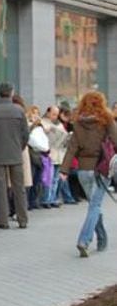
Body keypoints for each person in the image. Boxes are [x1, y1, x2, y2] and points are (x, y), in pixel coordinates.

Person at [59, 91, 117, 258]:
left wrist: (64, 170)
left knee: (94, 204)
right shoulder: (106, 120)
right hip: (102, 168)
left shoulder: (78, 123)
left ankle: (102, 238)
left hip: (83, 170)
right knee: (95, 205)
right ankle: (84, 240)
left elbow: (72, 148)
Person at [0, 82, 29, 230]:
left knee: (1, 187)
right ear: (11, 93)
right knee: (19, 187)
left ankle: (3, 220)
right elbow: (25, 134)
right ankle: (23, 220)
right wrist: (19, 147)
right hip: (15, 153)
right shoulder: (19, 110)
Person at [41, 105, 68, 208]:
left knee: (56, 179)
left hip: (59, 154)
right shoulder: (43, 123)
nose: (55, 116)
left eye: (57, 115)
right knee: (49, 178)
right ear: (48, 113)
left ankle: (52, 198)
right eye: (53, 114)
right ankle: (46, 199)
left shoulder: (59, 124)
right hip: (50, 154)